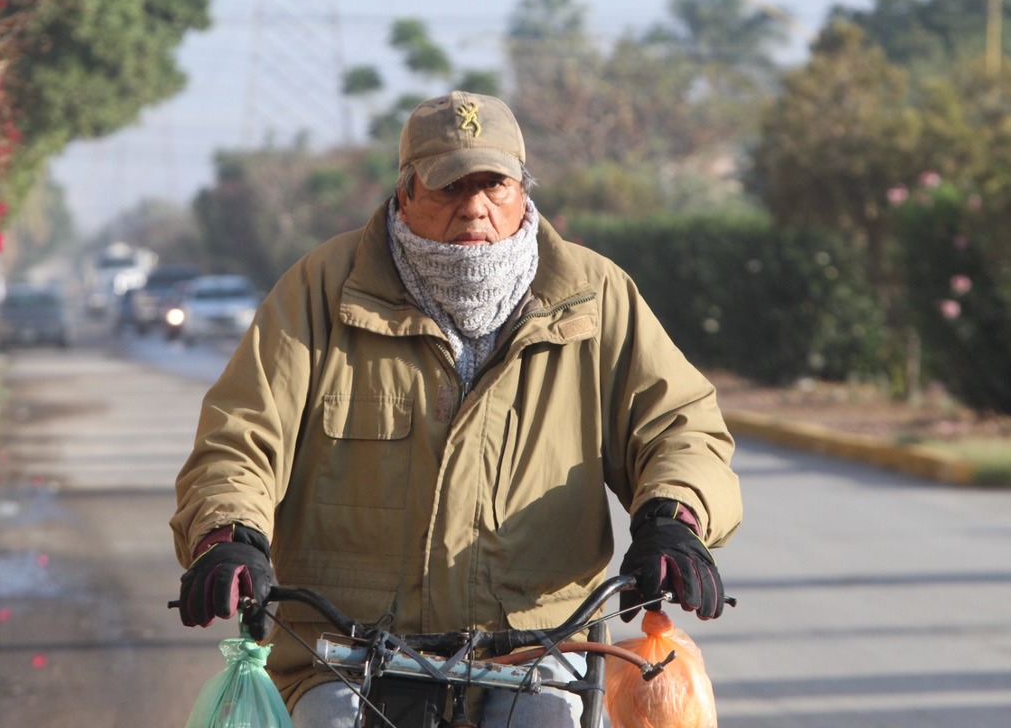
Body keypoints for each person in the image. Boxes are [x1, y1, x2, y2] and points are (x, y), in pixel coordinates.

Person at [171, 91, 742, 727]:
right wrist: (229, 534)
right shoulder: (319, 291)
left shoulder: (595, 295)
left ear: (523, 190)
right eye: (448, 187)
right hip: (346, 650)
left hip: (541, 641)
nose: (474, 208)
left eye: (493, 185)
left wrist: (673, 517)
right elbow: (241, 436)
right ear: (406, 193)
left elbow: (679, 427)